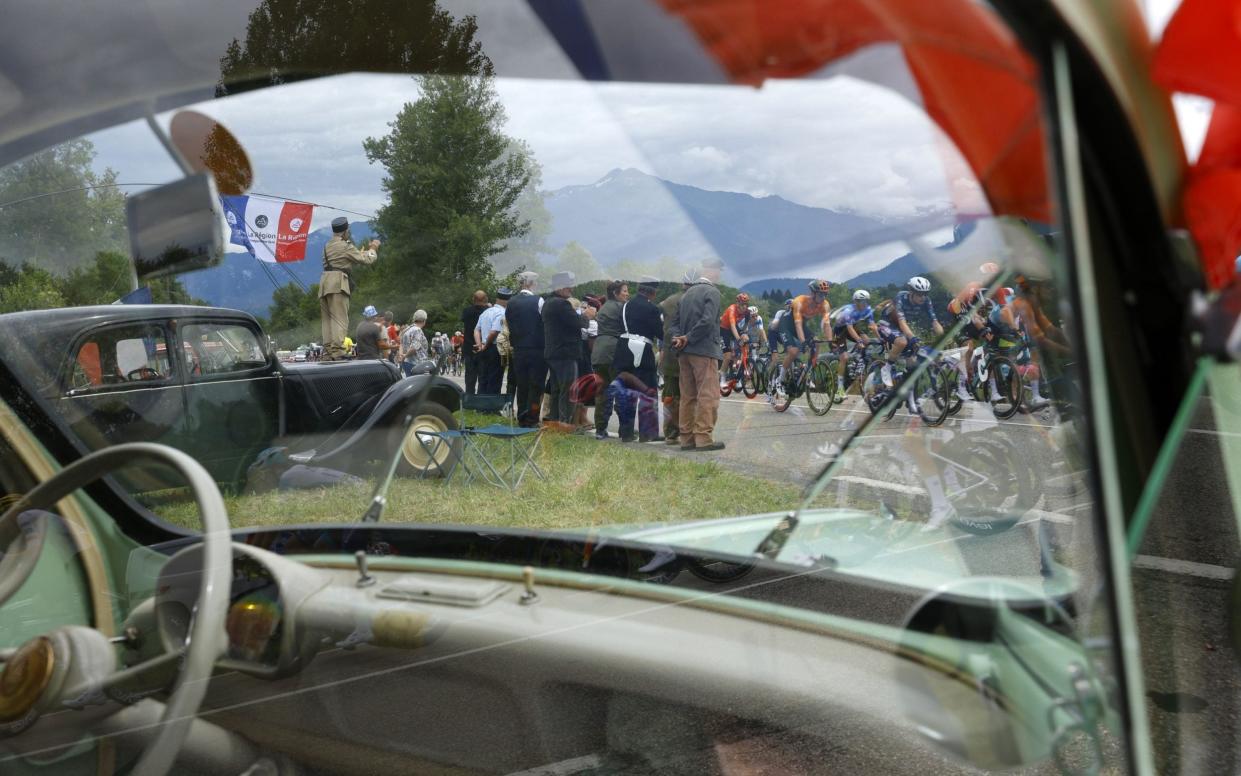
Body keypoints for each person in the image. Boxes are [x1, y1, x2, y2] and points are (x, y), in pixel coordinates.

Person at [670, 257, 724, 451]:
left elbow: (674, 323)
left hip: (683, 352)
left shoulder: (686, 293)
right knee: (707, 395)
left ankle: (686, 439)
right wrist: (689, 337)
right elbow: (708, 321)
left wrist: (679, 338)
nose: (719, 274)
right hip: (704, 350)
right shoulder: (712, 292)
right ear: (712, 271)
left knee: (687, 396)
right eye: (718, 270)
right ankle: (703, 438)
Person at [318, 216, 379, 360]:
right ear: (345, 231)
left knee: (327, 320)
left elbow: (341, 259)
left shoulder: (327, 246)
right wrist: (373, 249)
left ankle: (328, 352)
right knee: (340, 318)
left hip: (325, 283)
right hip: (339, 283)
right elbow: (367, 260)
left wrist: (358, 253)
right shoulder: (345, 245)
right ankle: (338, 351)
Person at [613, 276, 663, 442]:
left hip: (624, 348)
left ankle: (626, 432)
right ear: (653, 292)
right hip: (643, 350)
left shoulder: (625, 306)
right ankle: (647, 432)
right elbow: (659, 332)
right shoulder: (652, 309)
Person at [544, 272, 595, 429]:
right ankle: (565, 424)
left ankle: (555, 422)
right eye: (567, 285)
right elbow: (578, 323)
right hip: (565, 353)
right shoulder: (562, 304)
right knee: (568, 390)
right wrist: (587, 315)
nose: (570, 288)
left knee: (557, 390)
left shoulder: (549, 302)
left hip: (554, 352)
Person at [875, 276, 945, 386]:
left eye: (925, 293)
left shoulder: (926, 300)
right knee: (903, 342)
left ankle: (906, 389)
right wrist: (912, 338)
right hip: (887, 324)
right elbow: (902, 322)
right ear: (911, 292)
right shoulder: (901, 298)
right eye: (919, 294)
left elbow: (935, 322)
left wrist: (942, 337)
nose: (923, 297)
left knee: (912, 362)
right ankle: (886, 368)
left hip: (901, 327)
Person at [506, 270, 547, 427]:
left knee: (522, 384)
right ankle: (532, 417)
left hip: (518, 348)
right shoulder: (539, 300)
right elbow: (543, 322)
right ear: (532, 283)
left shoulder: (511, 302)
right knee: (536, 385)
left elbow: (509, 323)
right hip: (536, 347)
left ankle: (521, 415)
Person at [775, 280, 832, 389]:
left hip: (801, 325)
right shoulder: (800, 301)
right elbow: (798, 325)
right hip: (786, 324)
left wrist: (830, 341)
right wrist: (803, 342)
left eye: (825, 294)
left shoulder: (825, 305)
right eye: (820, 294)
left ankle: (807, 375)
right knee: (794, 351)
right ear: (813, 293)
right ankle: (779, 380)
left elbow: (827, 325)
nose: (823, 297)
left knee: (817, 344)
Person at [658, 271, 693, 444]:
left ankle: (671, 433)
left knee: (670, 394)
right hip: (690, 352)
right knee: (689, 395)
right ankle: (688, 431)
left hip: (670, 352)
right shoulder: (696, 299)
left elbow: (662, 327)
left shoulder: (667, 302)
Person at [591, 280, 628, 439]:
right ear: (616, 293)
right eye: (625, 291)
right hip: (614, 350)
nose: (627, 294)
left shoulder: (603, 307)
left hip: (599, 351)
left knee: (602, 392)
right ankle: (624, 430)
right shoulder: (622, 308)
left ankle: (600, 429)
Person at [830, 289, 880, 395]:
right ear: (856, 301)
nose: (865, 304)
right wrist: (858, 340)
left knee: (866, 340)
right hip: (840, 330)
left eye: (866, 301)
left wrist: (881, 338)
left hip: (853, 326)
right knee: (844, 357)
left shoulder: (867, 309)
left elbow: (873, 326)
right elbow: (849, 329)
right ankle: (840, 388)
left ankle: (858, 359)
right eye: (863, 301)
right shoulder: (849, 311)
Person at [474, 289, 508, 394]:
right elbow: (494, 332)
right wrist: (486, 345)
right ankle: (491, 406)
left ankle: (481, 405)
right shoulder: (502, 312)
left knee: (483, 378)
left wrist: (480, 344)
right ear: (507, 300)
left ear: (497, 299)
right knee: (495, 378)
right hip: (494, 347)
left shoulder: (486, 312)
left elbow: (476, 330)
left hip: (483, 347)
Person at [719, 292, 752, 389]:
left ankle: (738, 376)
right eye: (742, 304)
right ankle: (722, 378)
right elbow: (732, 327)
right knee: (728, 356)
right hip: (724, 329)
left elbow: (746, 324)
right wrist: (738, 339)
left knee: (746, 339)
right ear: (737, 303)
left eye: (746, 304)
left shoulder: (747, 312)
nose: (744, 307)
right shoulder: (732, 310)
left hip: (735, 328)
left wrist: (744, 333)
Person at [461, 291, 490, 396]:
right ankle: (481, 399)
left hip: (469, 347)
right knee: (483, 376)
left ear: (473, 299)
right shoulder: (488, 311)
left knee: (470, 376)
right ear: (485, 299)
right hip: (483, 347)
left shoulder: (467, 311)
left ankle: (469, 398)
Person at [400, 310, 430, 376]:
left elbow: (401, 344)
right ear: (424, 320)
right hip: (416, 364)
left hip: (406, 362)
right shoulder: (417, 330)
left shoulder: (407, 329)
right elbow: (415, 347)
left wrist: (401, 356)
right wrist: (405, 355)